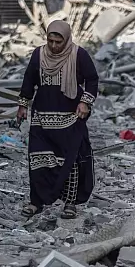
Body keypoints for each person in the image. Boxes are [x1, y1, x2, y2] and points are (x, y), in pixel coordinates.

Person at [17, 20, 99, 219]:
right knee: (38, 159)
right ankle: (36, 201)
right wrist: (23, 105)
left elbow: (92, 79)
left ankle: (70, 203)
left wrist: (85, 102)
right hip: (42, 117)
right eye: (50, 41)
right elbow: (29, 79)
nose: (53, 46)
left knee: (69, 161)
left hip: (70, 117)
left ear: (67, 39)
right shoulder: (39, 54)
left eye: (58, 42)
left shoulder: (78, 55)